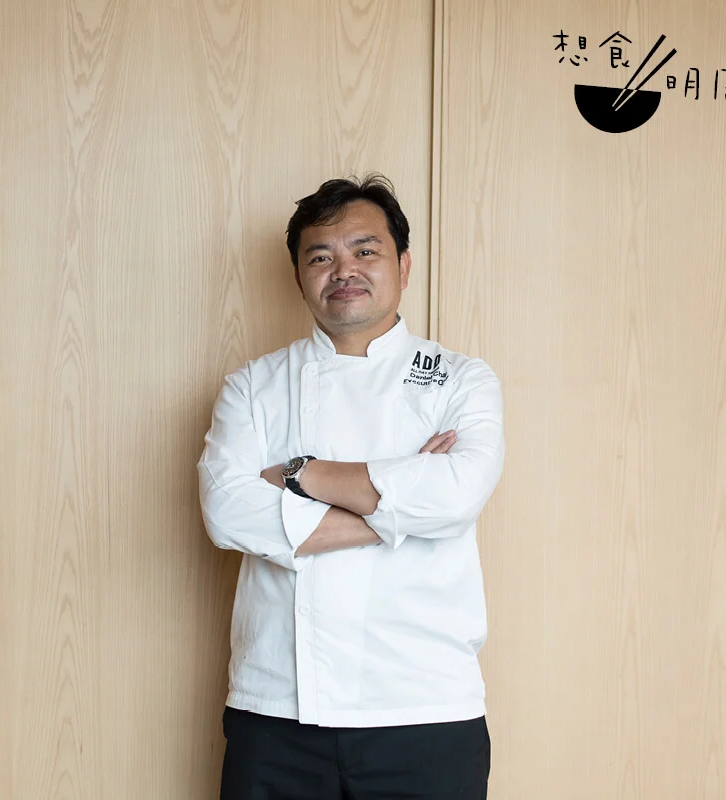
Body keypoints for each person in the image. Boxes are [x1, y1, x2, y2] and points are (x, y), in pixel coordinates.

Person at [197, 175, 505, 799]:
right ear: (298, 277)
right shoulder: (253, 387)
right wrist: (398, 505)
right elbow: (227, 512)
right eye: (321, 257)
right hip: (277, 705)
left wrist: (298, 473)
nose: (344, 270)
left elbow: (455, 493)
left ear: (404, 265)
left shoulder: (460, 380)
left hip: (426, 707)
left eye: (366, 250)